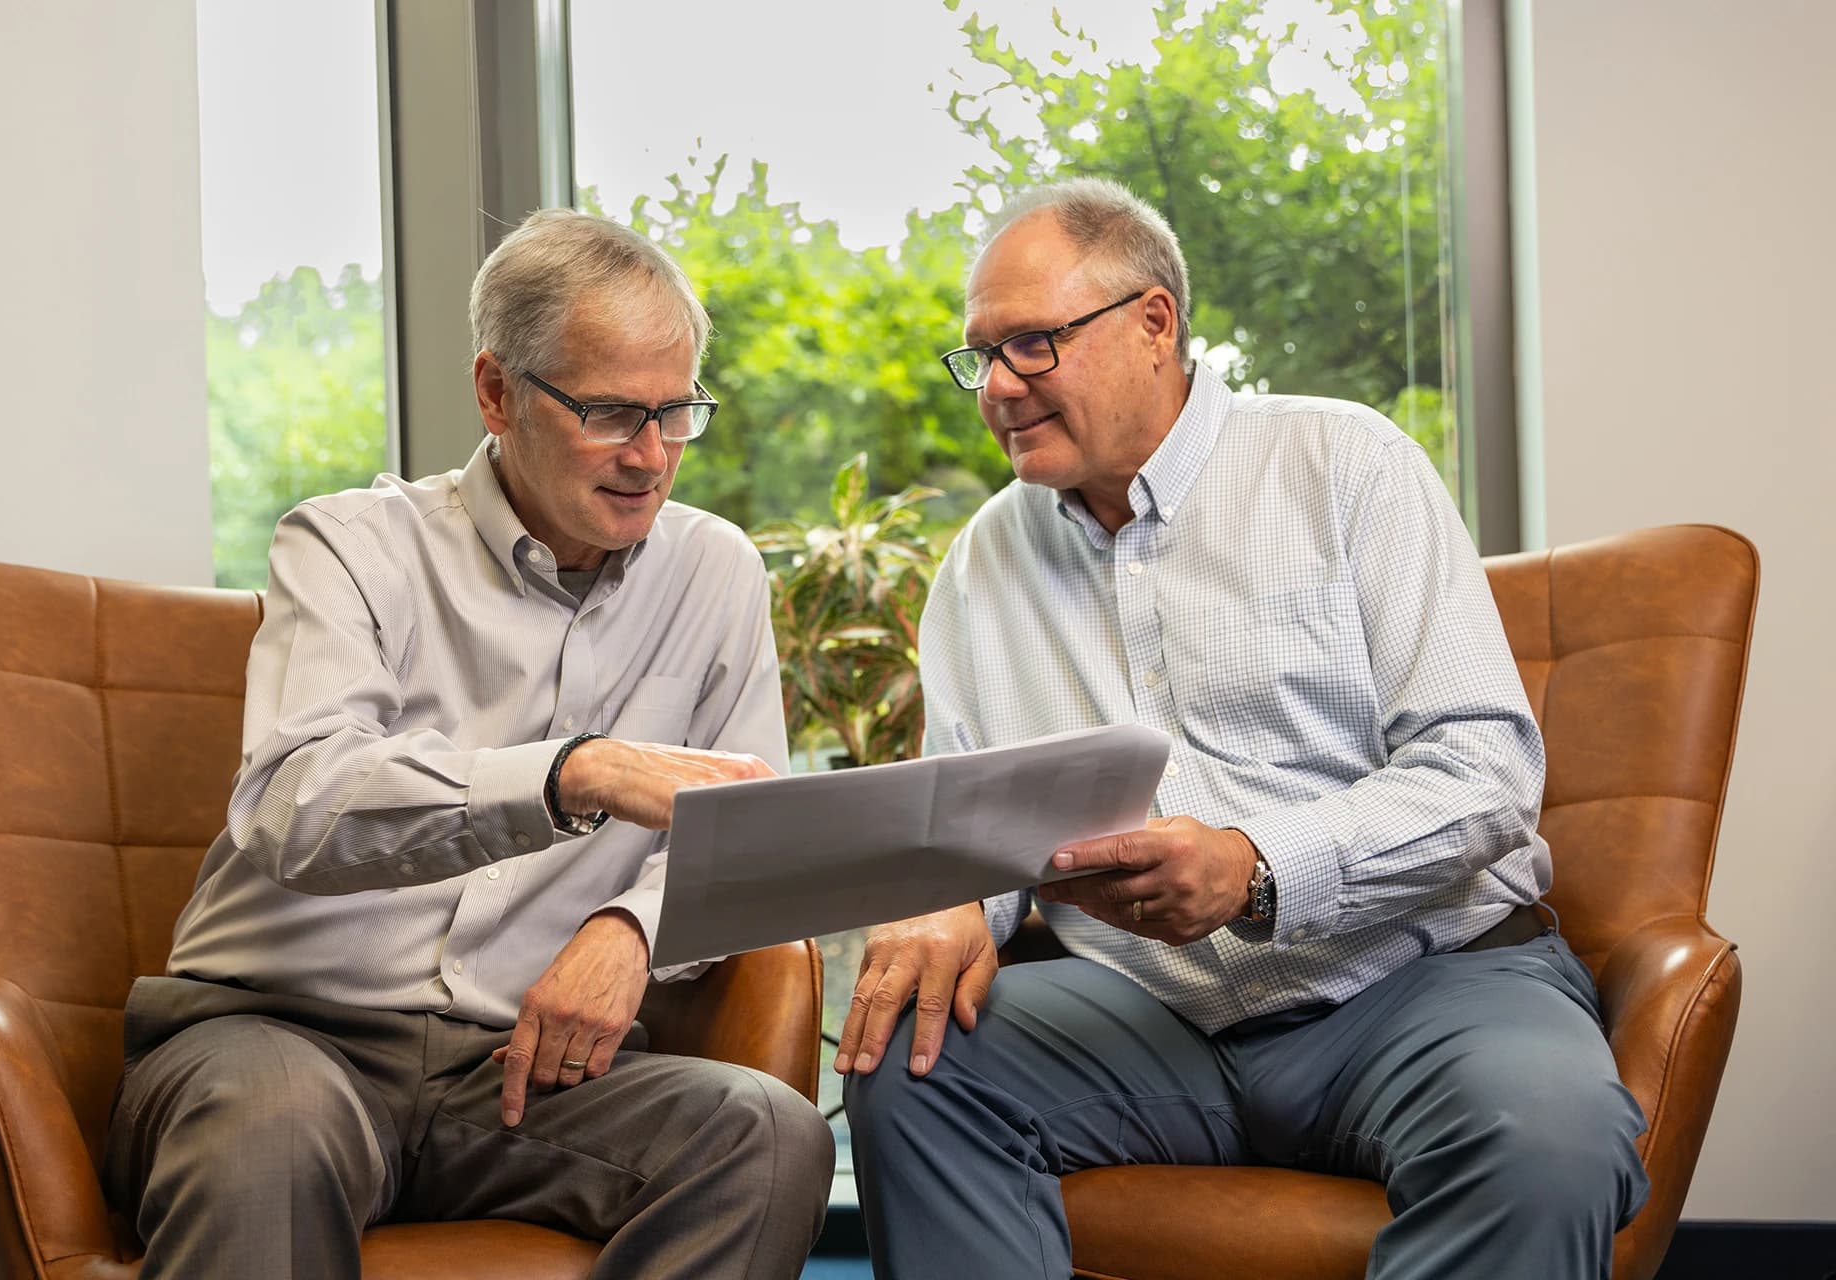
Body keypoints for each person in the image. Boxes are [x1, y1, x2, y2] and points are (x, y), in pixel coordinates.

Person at [837, 178, 1649, 1280]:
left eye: (1031, 345)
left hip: (1419, 982)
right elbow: (972, 827)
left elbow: (1487, 769)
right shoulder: (984, 561)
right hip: (1144, 1016)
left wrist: (1257, 867)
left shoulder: (1346, 463)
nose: (997, 387)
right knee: (915, 1059)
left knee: (1548, 1146)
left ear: (1153, 322)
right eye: (979, 355)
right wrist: (948, 903)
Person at [103, 209, 834, 1279]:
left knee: (765, 1136)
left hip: (525, 1077)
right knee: (271, 1133)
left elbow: (746, 833)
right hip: (279, 1035)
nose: (651, 456)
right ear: (497, 392)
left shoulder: (714, 571)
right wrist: (571, 773)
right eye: (610, 413)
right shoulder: (348, 545)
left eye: (677, 411)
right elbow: (297, 803)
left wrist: (631, 929)